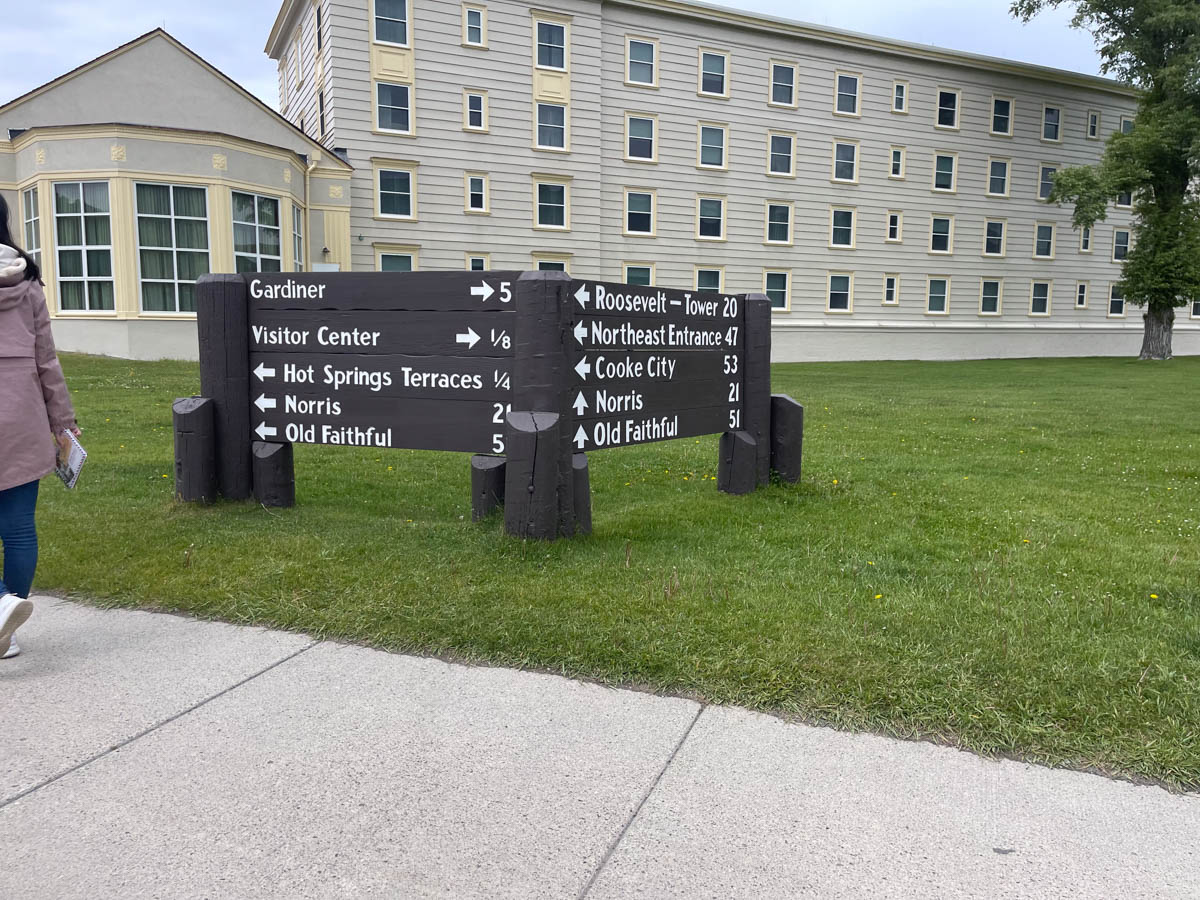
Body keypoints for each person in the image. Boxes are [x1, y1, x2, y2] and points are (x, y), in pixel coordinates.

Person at [0, 193, 79, 659]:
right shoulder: (28, 282)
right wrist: (63, 424)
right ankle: (6, 627)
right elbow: (46, 361)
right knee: (20, 529)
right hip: (22, 415)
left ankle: (2, 609)